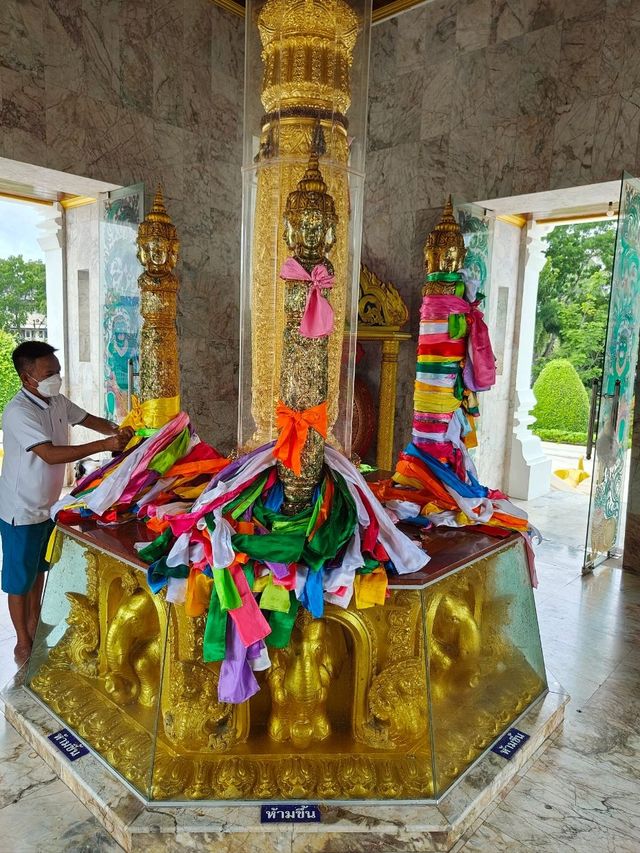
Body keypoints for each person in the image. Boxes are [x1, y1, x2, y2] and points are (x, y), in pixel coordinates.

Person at [0, 341, 134, 665]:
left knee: (37, 569)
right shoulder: (19, 411)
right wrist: (103, 445)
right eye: (48, 373)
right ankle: (21, 640)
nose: (55, 378)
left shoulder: (56, 400)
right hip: (21, 509)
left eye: (57, 372)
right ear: (26, 377)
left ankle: (34, 623)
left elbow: (87, 419)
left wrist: (121, 431)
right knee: (19, 579)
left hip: (47, 506)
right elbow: (48, 454)